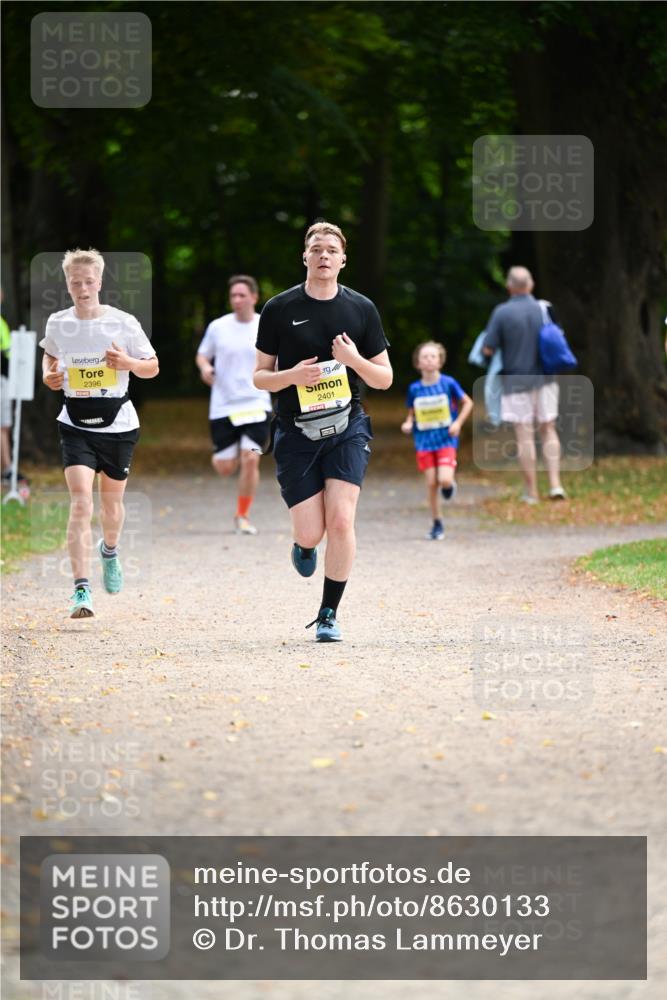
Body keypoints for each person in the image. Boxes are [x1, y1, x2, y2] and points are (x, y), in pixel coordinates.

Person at [254, 221, 392, 641]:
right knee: (312, 530)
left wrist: (353, 360)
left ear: (343, 259)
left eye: (332, 249)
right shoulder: (278, 308)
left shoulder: (361, 309)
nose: (324, 255)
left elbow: (384, 379)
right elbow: (260, 378)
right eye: (317, 249)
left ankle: (329, 613)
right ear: (305, 256)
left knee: (342, 519)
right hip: (295, 432)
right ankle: (304, 545)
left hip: (347, 427)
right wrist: (292, 376)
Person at [41, 248, 159, 618]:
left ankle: (109, 550)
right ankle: (80, 590)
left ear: (100, 282)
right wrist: (49, 374)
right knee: (81, 502)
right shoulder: (58, 323)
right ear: (67, 284)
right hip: (75, 422)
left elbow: (152, 367)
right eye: (75, 282)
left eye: (89, 281)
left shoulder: (122, 322)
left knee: (110, 507)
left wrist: (128, 363)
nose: (82, 288)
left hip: (118, 423)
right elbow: (50, 356)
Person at [482, 266, 566, 503]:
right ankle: (555, 485)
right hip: (546, 379)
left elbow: (488, 348)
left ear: (509, 287)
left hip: (515, 380)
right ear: (531, 285)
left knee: (524, 435)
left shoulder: (502, 313)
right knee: (548, 429)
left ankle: (532, 492)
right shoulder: (545, 308)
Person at [195, 275, 271, 535]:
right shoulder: (218, 327)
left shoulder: (266, 325)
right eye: (233, 296)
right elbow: (203, 355)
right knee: (225, 467)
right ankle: (233, 453)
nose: (237, 300)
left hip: (256, 404)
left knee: (250, 459)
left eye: (242, 295)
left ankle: (243, 514)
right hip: (224, 406)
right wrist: (205, 368)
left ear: (254, 297)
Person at [401, 341, 473, 540]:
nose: (429, 360)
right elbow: (411, 412)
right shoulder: (414, 388)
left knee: (444, 479)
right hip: (424, 441)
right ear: (418, 363)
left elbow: (467, 403)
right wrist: (408, 423)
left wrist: (457, 423)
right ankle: (436, 522)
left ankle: (449, 486)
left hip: (446, 440)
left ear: (440, 361)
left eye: (433, 356)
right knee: (431, 483)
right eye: (425, 356)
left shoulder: (448, 383)